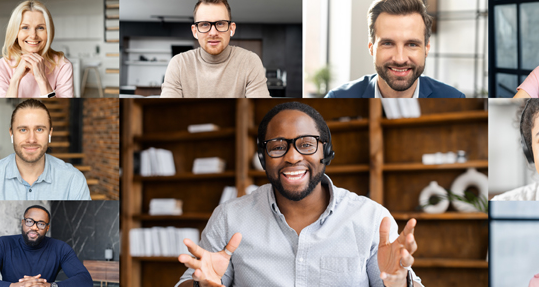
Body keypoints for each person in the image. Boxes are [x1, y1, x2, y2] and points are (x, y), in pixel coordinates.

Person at [175, 102, 423, 287]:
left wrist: (399, 281)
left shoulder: (371, 219)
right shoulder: (229, 217)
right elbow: (194, 280)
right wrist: (200, 285)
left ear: (325, 152)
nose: (292, 157)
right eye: (278, 147)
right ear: (263, 158)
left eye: (306, 144)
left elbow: (396, 279)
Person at [325, 0, 464, 98]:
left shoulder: (455, 99)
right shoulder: (336, 98)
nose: (400, 58)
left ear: (427, 48)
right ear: (371, 47)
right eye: (388, 43)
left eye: (412, 44)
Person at [0, 99, 90, 200]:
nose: (31, 139)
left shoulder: (74, 180)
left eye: (39, 129)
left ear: (50, 133)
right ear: (11, 133)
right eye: (23, 130)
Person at [160, 0, 270, 98]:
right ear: (195, 31)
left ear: (232, 28)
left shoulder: (250, 62)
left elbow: (261, 113)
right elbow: (165, 113)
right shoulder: (178, 64)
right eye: (204, 24)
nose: (213, 33)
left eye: (221, 23)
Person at [0, 205, 93, 287]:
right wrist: (12, 286)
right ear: (22, 222)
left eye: (41, 224)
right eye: (30, 221)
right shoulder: (3, 244)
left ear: (47, 228)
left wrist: (51, 286)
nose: (34, 227)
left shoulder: (60, 248)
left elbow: (85, 280)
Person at [0, 0, 74, 98]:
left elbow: (58, 110)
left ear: (49, 32)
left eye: (40, 28)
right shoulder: (1, 67)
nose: (33, 36)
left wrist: (42, 79)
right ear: (15, 33)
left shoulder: (63, 66)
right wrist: (15, 80)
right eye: (25, 27)